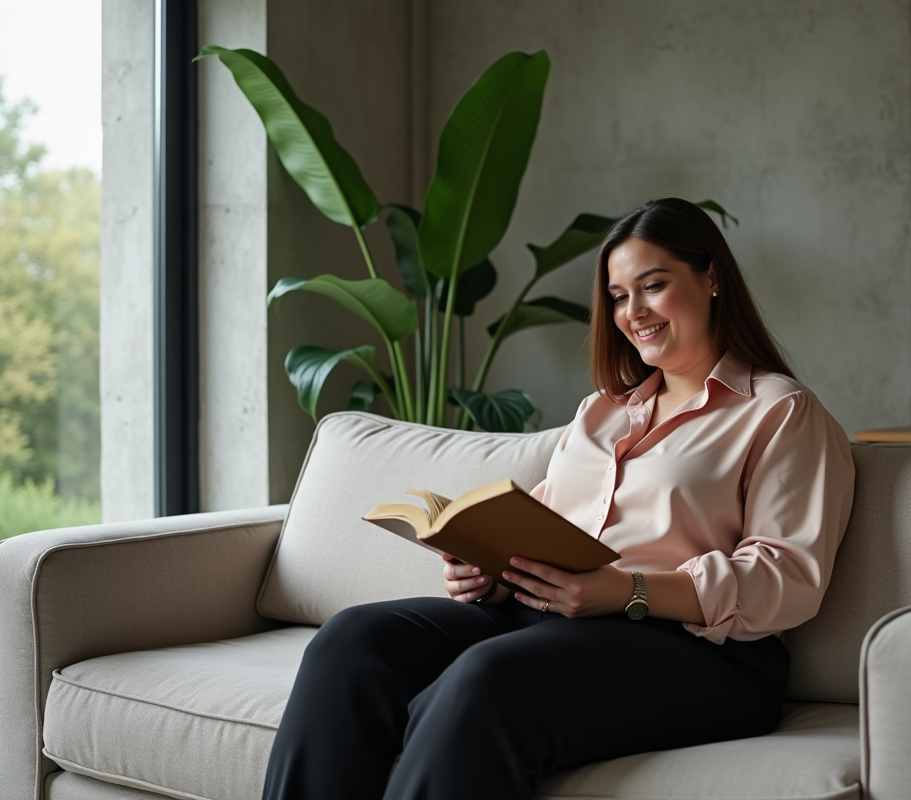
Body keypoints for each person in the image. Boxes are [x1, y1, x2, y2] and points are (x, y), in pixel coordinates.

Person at [261, 197, 856, 800]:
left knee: (485, 679)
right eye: (620, 297)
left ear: (712, 278)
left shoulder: (779, 411)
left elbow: (789, 575)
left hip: (697, 652)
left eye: (653, 286)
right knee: (353, 641)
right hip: (545, 619)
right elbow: (545, 521)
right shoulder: (601, 411)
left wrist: (628, 591)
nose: (634, 312)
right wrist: (491, 570)